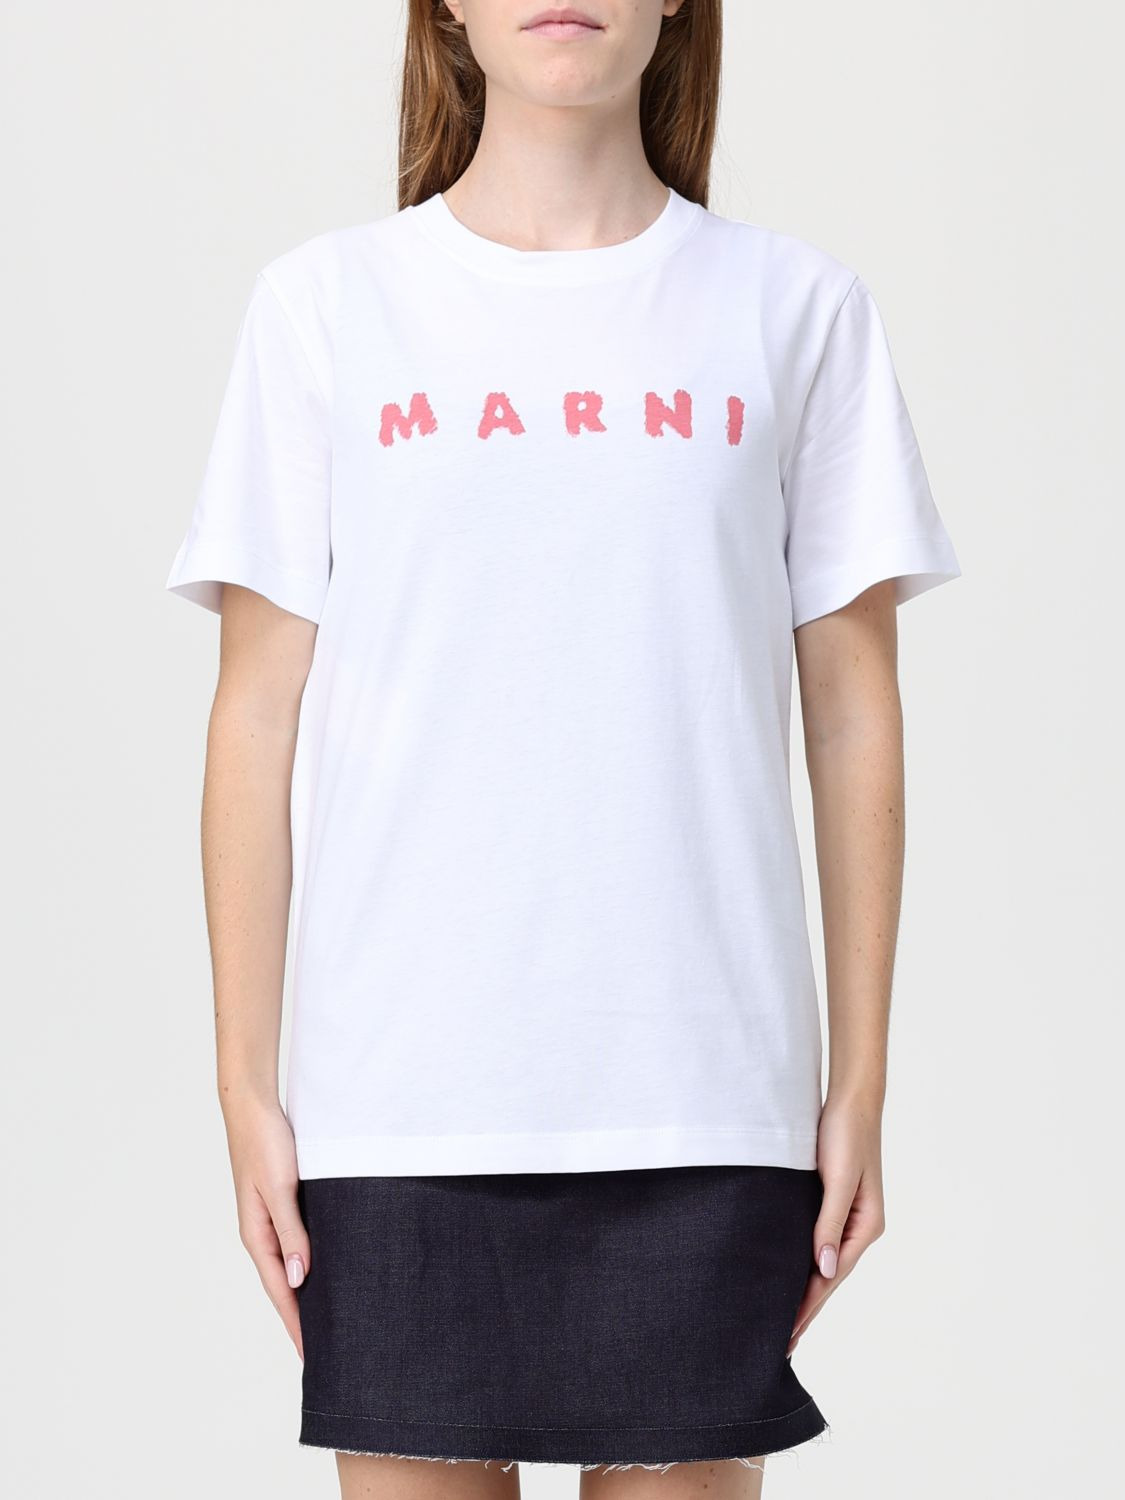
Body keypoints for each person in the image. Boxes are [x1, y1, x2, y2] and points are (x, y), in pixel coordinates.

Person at [164, 2, 961, 1495]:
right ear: (445, 8)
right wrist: (242, 1086)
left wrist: (859, 1083)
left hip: (705, 1093)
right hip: (398, 1099)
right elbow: (254, 714)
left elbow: (854, 714)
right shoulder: (325, 307)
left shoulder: (796, 309)